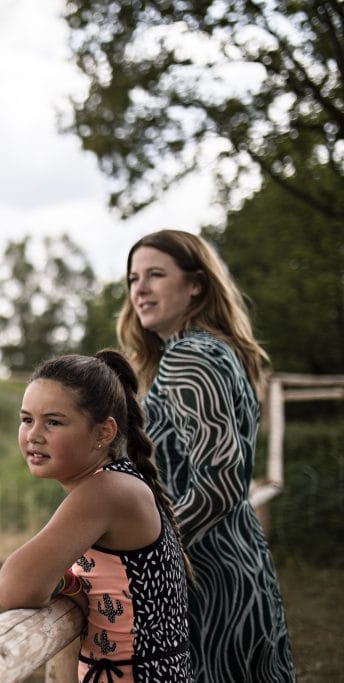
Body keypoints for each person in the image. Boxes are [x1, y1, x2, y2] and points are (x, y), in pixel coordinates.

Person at [118, 229, 296, 682]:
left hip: (211, 580)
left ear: (196, 284)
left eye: (156, 274)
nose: (140, 288)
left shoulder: (190, 357)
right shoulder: (211, 350)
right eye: (134, 277)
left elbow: (219, 484)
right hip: (231, 565)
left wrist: (142, 553)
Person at [0, 351, 192, 682]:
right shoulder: (114, 483)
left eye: (54, 421)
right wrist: (71, 585)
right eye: (27, 418)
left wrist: (62, 583)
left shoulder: (107, 491)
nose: (34, 434)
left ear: (103, 434)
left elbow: (15, 586)